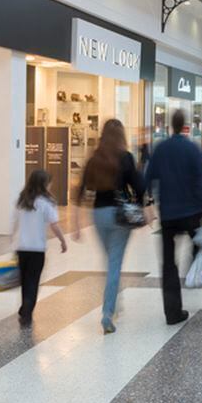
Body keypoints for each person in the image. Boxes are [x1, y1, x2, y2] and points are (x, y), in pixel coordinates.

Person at [71, 119, 144, 334]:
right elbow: (139, 186)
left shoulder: (94, 158)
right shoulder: (125, 158)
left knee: (110, 262)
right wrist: (140, 207)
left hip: (98, 216)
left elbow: (80, 191)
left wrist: (75, 224)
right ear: (121, 135)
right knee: (114, 264)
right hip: (119, 217)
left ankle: (115, 302)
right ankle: (107, 313)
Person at [145, 110, 202, 326]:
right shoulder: (192, 149)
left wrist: (148, 200)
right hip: (191, 213)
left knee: (168, 264)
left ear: (170, 126)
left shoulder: (161, 149)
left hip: (169, 215)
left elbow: (148, 177)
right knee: (201, 243)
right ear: (185, 125)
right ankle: (197, 271)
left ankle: (172, 313)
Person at [11, 169, 67, 326]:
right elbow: (54, 225)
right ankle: (27, 311)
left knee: (24, 280)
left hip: (21, 248)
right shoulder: (47, 203)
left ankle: (24, 309)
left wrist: (12, 239)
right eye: (49, 183)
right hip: (37, 249)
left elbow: (14, 222)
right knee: (33, 281)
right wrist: (63, 240)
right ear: (44, 184)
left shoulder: (21, 201)